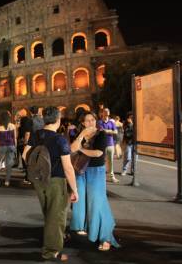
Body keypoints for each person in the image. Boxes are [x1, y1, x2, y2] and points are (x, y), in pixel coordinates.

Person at [27, 106, 79, 261]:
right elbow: (68, 168)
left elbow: (25, 155)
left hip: (40, 180)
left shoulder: (36, 135)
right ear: (58, 119)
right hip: (56, 182)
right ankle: (51, 252)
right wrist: (74, 190)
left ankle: (54, 241)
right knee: (56, 217)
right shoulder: (60, 139)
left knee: (49, 214)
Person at [70, 111, 120, 251]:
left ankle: (106, 237)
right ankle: (85, 228)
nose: (90, 122)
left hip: (96, 172)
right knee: (81, 202)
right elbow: (71, 149)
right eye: (87, 120)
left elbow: (98, 153)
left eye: (93, 119)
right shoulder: (78, 134)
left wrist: (81, 149)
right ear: (82, 123)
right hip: (80, 171)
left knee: (97, 204)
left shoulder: (101, 134)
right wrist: (81, 136)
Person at [0, 110, 17, 187]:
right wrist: (15, 148)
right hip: (11, 146)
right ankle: (7, 181)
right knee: (8, 164)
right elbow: (14, 138)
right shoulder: (13, 126)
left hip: (1, 146)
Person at [97, 108, 119, 183]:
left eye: (108, 111)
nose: (106, 113)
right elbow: (103, 131)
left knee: (111, 162)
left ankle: (111, 177)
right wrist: (111, 131)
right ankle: (102, 177)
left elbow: (116, 132)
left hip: (111, 144)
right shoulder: (99, 122)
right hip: (102, 144)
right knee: (102, 161)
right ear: (102, 113)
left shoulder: (111, 122)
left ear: (109, 113)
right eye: (105, 111)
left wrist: (108, 131)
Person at [17, 108, 33, 185]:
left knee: (25, 159)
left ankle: (28, 178)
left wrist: (25, 143)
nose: (19, 113)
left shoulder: (24, 120)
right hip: (25, 142)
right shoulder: (27, 119)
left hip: (23, 142)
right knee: (26, 159)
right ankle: (28, 176)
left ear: (23, 113)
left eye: (20, 112)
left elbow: (27, 132)